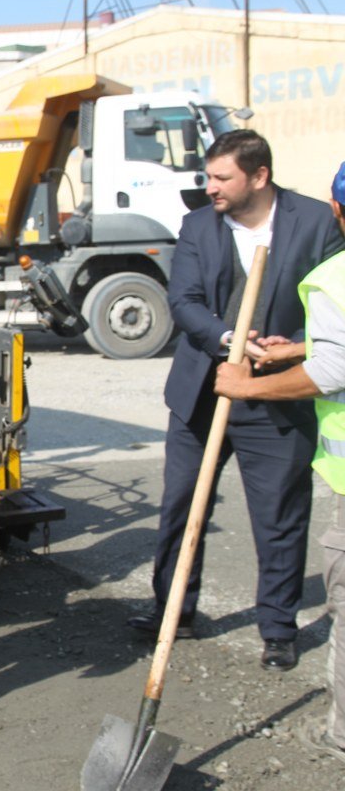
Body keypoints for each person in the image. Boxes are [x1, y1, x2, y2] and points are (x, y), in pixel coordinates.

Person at [127, 130, 345, 672]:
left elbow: (334, 300)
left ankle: (277, 627)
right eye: (210, 176)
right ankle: (173, 611)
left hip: (277, 395)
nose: (211, 187)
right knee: (181, 504)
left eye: (223, 178)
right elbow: (185, 301)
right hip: (205, 391)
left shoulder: (316, 222)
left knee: (278, 516)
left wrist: (291, 350)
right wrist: (230, 341)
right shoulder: (199, 224)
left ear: (260, 176)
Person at [214, 160, 345, 764]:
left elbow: (332, 373)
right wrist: (302, 346)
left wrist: (247, 387)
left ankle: (340, 729)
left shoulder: (332, 280)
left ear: (337, 211)